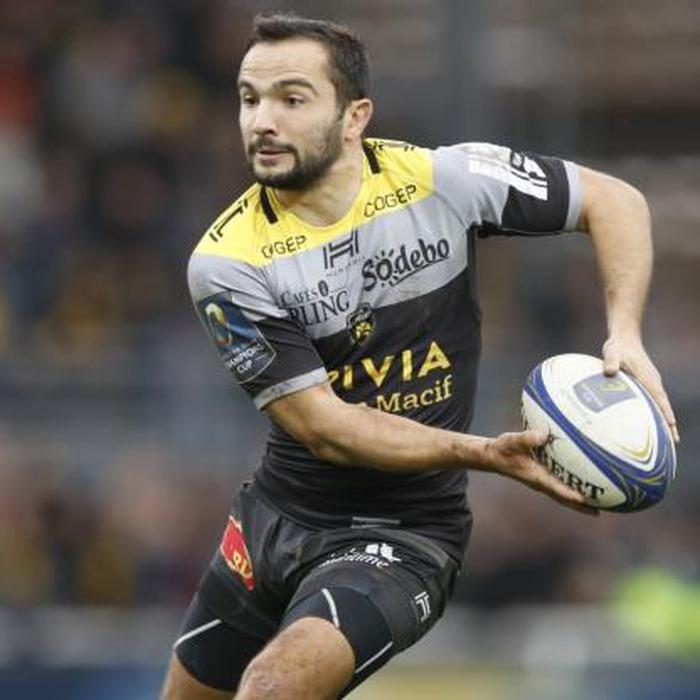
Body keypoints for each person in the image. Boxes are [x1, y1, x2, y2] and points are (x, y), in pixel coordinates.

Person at [161, 12, 679, 700]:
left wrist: (625, 333)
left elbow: (615, 201)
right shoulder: (227, 262)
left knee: (273, 687)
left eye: (291, 98)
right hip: (271, 521)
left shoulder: (444, 181)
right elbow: (326, 428)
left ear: (354, 116)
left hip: (405, 535)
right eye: (249, 99)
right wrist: (484, 453)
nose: (262, 121)